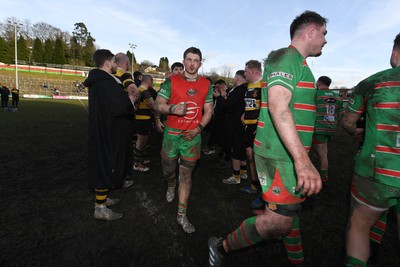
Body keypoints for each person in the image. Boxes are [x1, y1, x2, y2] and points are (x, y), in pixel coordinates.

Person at [208, 10, 327, 266]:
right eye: (324, 34)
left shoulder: (298, 63)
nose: (325, 40)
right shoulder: (286, 57)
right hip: (279, 156)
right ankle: (221, 247)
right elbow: (278, 106)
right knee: (278, 221)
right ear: (311, 31)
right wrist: (303, 161)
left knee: (288, 214)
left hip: (286, 155)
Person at [341, 33, 400, 267]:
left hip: (377, 172)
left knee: (359, 225)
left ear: (395, 52)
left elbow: (347, 121)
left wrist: (355, 130)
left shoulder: (374, 82)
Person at [155, 46, 213, 234]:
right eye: (189, 59)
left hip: (192, 137)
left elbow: (209, 110)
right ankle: (171, 184)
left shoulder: (206, 84)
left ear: (200, 63)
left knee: (186, 175)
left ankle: (181, 215)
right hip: (171, 136)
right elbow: (158, 104)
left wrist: (198, 129)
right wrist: (173, 110)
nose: (192, 64)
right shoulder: (171, 81)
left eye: (196, 60)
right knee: (168, 170)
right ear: (184, 60)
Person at [83, 49, 134, 221]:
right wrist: (131, 102)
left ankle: (102, 199)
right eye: (113, 62)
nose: (115, 65)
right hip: (108, 130)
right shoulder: (106, 82)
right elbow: (121, 106)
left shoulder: (99, 81)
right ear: (108, 62)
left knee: (103, 164)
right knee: (105, 164)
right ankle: (100, 208)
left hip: (102, 127)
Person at [214, 71, 248, 187]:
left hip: (235, 125)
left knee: (235, 151)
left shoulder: (239, 90)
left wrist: (219, 98)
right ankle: (243, 172)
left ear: (237, 78)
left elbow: (227, 106)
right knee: (241, 149)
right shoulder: (247, 89)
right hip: (242, 124)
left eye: (234, 78)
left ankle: (236, 176)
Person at [114, 52, 140, 186]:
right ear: (127, 63)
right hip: (123, 119)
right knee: (124, 149)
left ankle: (113, 176)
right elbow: (133, 89)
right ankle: (122, 178)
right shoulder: (124, 74)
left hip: (108, 119)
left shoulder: (108, 75)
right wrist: (132, 104)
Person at [311, 76, 343, 183]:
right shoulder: (337, 96)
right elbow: (341, 113)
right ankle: (316, 172)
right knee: (320, 152)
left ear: (319, 83)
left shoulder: (316, 95)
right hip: (330, 128)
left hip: (317, 128)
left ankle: (323, 178)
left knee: (321, 154)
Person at [134, 74, 155, 172]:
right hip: (143, 120)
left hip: (138, 119)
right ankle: (137, 164)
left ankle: (139, 160)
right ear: (149, 82)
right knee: (141, 142)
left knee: (140, 141)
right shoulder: (145, 92)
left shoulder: (138, 89)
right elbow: (152, 105)